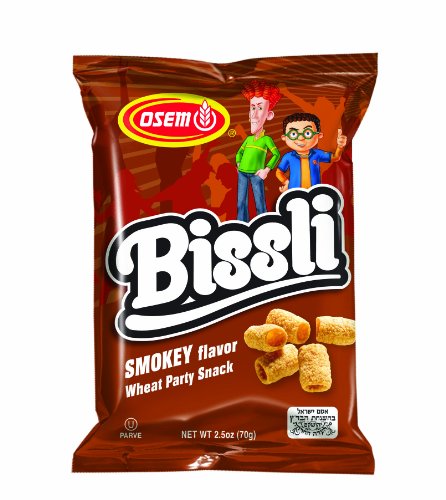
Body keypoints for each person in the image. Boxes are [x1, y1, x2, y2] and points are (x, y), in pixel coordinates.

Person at [235, 80, 281, 221]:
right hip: (242, 173)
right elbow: (239, 152)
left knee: (260, 205)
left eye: (260, 108)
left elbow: (276, 154)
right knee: (240, 203)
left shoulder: (266, 139)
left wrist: (266, 170)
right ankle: (241, 225)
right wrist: (238, 163)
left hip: (256, 174)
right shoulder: (248, 139)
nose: (254, 115)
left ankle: (263, 226)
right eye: (252, 108)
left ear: (269, 115)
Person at [276, 112, 347, 192]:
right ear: (284, 137)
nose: (300, 138)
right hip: (295, 192)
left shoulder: (317, 154)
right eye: (293, 134)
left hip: (315, 192)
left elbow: (335, 157)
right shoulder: (288, 157)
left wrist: (340, 146)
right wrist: (286, 182)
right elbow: (279, 172)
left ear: (319, 135)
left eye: (307, 133)